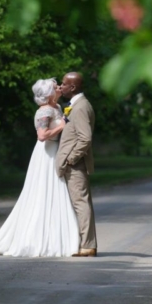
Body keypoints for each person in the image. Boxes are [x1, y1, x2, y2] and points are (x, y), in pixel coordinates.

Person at [0, 78, 80, 257]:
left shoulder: (57, 108)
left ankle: (57, 237)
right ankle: (36, 239)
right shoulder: (44, 111)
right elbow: (42, 136)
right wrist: (62, 126)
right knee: (42, 192)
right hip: (46, 153)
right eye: (55, 86)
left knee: (57, 191)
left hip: (56, 151)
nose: (59, 87)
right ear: (49, 93)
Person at [56, 72, 97, 257]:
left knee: (80, 203)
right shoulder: (77, 105)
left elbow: (85, 138)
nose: (60, 87)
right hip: (73, 163)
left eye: (63, 84)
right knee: (80, 202)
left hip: (76, 165)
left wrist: (71, 159)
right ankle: (85, 243)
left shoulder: (80, 107)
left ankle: (87, 245)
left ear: (72, 87)